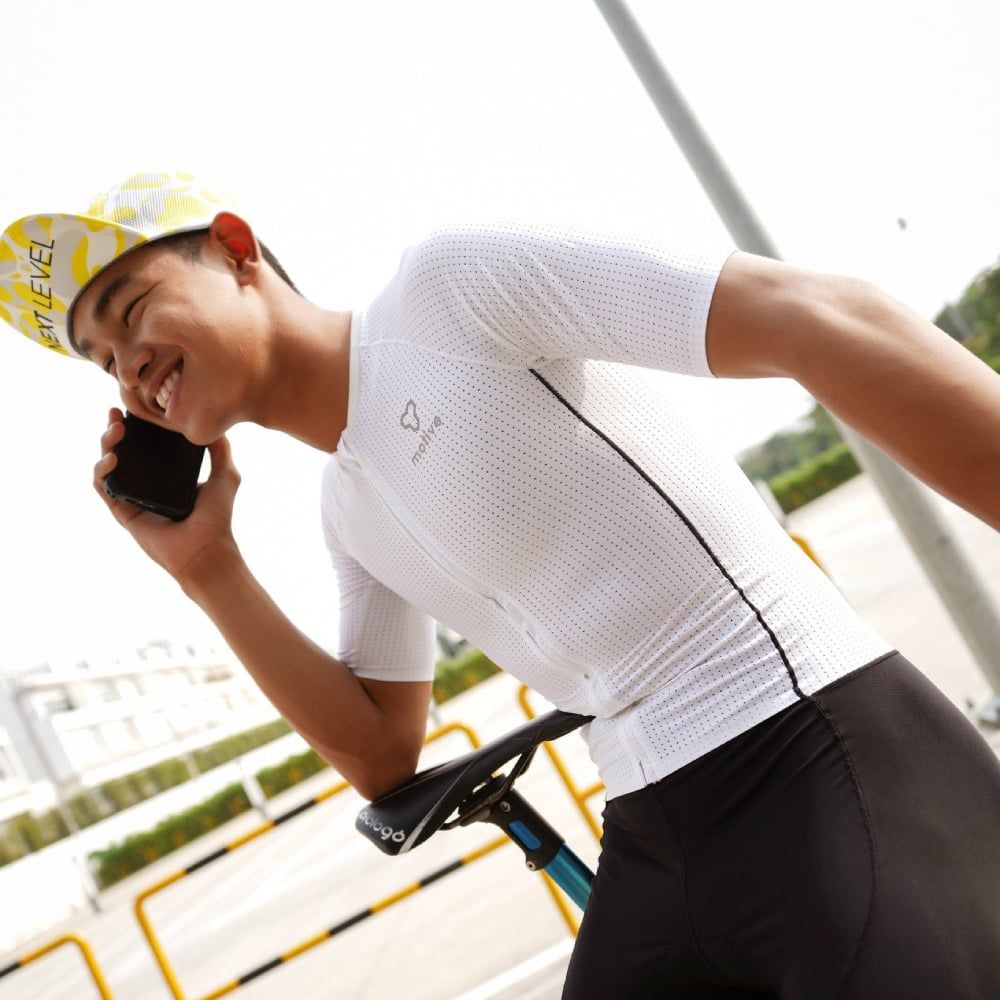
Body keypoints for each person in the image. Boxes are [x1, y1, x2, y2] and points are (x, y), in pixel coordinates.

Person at [3, 170, 999, 998]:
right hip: (655, 828)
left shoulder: (447, 292)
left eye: (131, 312)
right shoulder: (346, 507)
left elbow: (814, 315)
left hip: (812, 741)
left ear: (234, 249)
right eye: (103, 362)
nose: (128, 371)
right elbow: (381, 751)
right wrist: (207, 569)